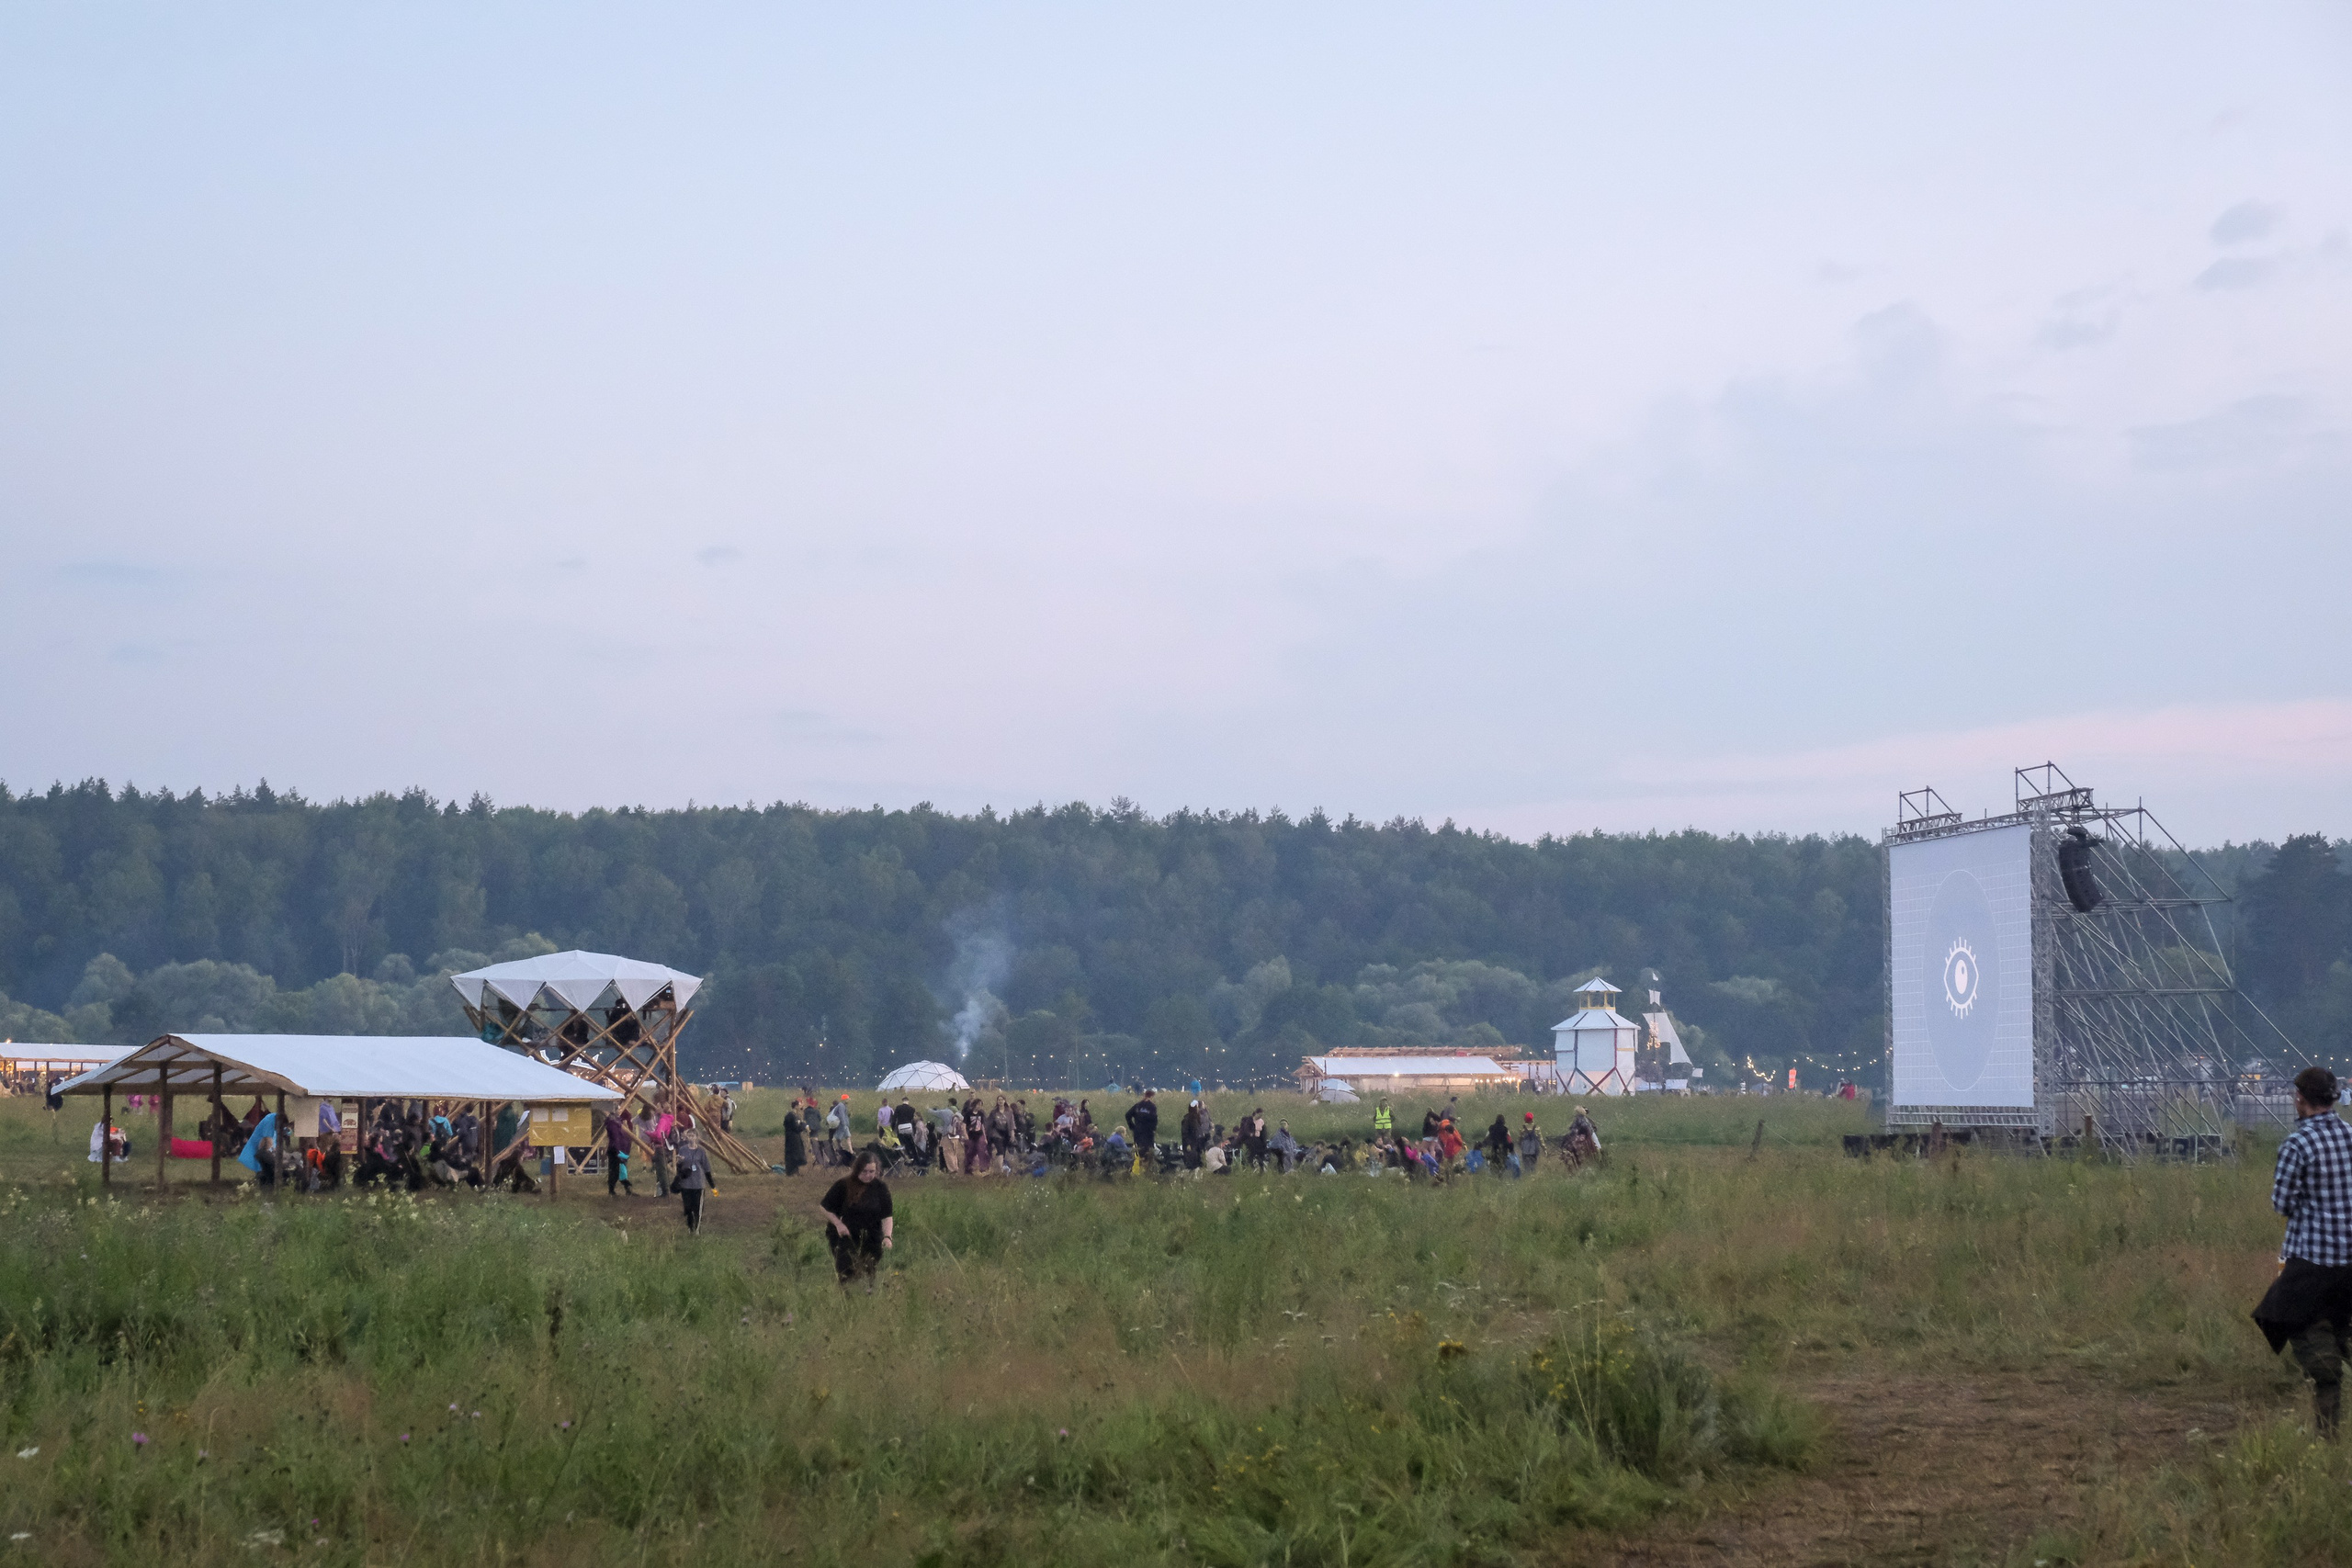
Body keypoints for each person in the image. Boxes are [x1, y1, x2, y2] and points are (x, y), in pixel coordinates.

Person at [2255, 1065, 2352, 1438]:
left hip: (2311, 1260)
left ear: (2300, 1099)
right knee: (2340, 1322)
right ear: (2333, 1098)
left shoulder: (2297, 1144)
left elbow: (2281, 1203)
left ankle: (2326, 1433)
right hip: (2349, 1262)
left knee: (2290, 1320)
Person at [819, 1151, 894, 1292]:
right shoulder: (844, 1185)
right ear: (857, 1169)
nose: (868, 1175)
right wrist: (838, 1224)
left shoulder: (881, 1188)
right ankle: (847, 1300)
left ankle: (868, 1297)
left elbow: (887, 1215)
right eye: (864, 1171)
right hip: (847, 1236)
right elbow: (824, 1207)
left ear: (877, 1170)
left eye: (871, 1171)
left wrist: (887, 1236)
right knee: (847, 1273)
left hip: (872, 1237)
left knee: (870, 1272)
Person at [672, 1131, 718, 1235]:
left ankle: (697, 1229)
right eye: (689, 1135)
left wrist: (712, 1186)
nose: (691, 1137)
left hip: (698, 1184)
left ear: (697, 1137)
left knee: (697, 1208)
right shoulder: (683, 1150)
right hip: (686, 1184)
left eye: (693, 1135)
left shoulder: (701, 1151)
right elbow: (679, 1168)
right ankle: (690, 1227)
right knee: (688, 1207)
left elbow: (706, 1169)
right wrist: (679, 1163)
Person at [605, 1106, 637, 1196]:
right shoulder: (612, 1123)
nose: (620, 1110)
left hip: (620, 1149)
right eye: (618, 1109)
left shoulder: (617, 1121)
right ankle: (613, 1190)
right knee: (615, 1170)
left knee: (621, 1169)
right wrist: (618, 1151)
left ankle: (626, 1189)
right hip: (616, 1150)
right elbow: (616, 1138)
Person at [1125, 1090, 1159, 1158]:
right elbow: (1154, 1120)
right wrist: (1153, 1129)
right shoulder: (1152, 1107)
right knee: (1148, 1152)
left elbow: (1127, 1115)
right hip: (1148, 1133)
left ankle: (1138, 1165)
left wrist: (1132, 1126)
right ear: (1152, 1097)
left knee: (1138, 1150)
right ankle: (1146, 1166)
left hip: (1138, 1132)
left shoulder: (1138, 1105)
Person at [782, 1103, 808, 1177]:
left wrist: (802, 1124)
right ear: (795, 1106)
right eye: (799, 1105)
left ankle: (795, 1171)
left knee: (796, 1154)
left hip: (795, 1137)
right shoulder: (791, 1116)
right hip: (792, 1138)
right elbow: (796, 1128)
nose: (801, 1107)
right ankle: (791, 1172)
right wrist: (803, 1126)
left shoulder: (795, 1115)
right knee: (793, 1154)